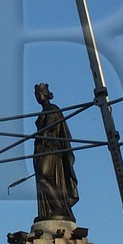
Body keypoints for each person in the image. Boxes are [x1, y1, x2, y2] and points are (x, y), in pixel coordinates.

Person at [32, 83, 78, 220]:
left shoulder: (52, 109)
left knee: (43, 177)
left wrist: (40, 135)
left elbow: (48, 128)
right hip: (42, 150)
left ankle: (59, 207)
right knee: (43, 179)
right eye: (36, 94)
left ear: (45, 94)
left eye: (39, 93)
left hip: (50, 149)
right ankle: (52, 210)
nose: (37, 96)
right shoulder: (44, 111)